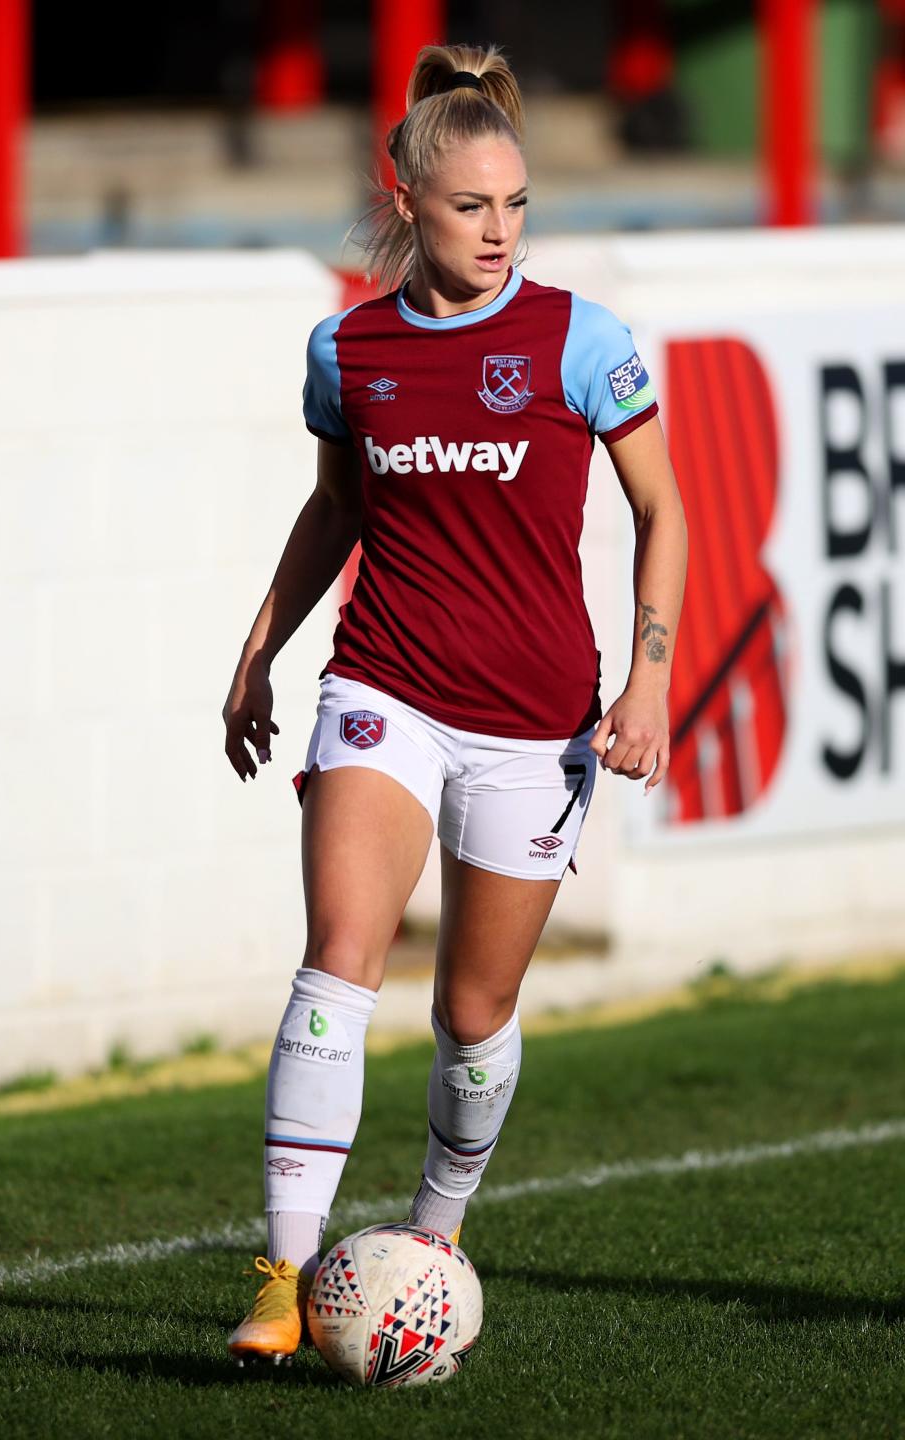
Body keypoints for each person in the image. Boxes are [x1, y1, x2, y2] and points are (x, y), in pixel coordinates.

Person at [221, 42, 687, 1366]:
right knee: (338, 960)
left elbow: (665, 510)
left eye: (517, 204)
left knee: (473, 1015)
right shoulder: (350, 348)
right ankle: (281, 1272)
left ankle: (435, 1233)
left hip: (538, 723)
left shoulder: (579, 340)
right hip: (385, 686)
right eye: (474, 205)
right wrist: (260, 651)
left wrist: (649, 674)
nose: (500, 230)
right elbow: (337, 512)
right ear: (411, 197)